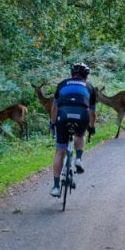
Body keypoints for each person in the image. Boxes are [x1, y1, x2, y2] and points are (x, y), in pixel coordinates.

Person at [49, 63, 97, 197]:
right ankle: (79, 159)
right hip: (82, 115)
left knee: (60, 151)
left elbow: (54, 108)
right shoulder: (90, 87)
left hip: (63, 116)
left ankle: (56, 187)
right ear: (86, 76)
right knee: (80, 136)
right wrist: (91, 127)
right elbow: (92, 114)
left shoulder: (62, 84)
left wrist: (53, 123)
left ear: (72, 73)